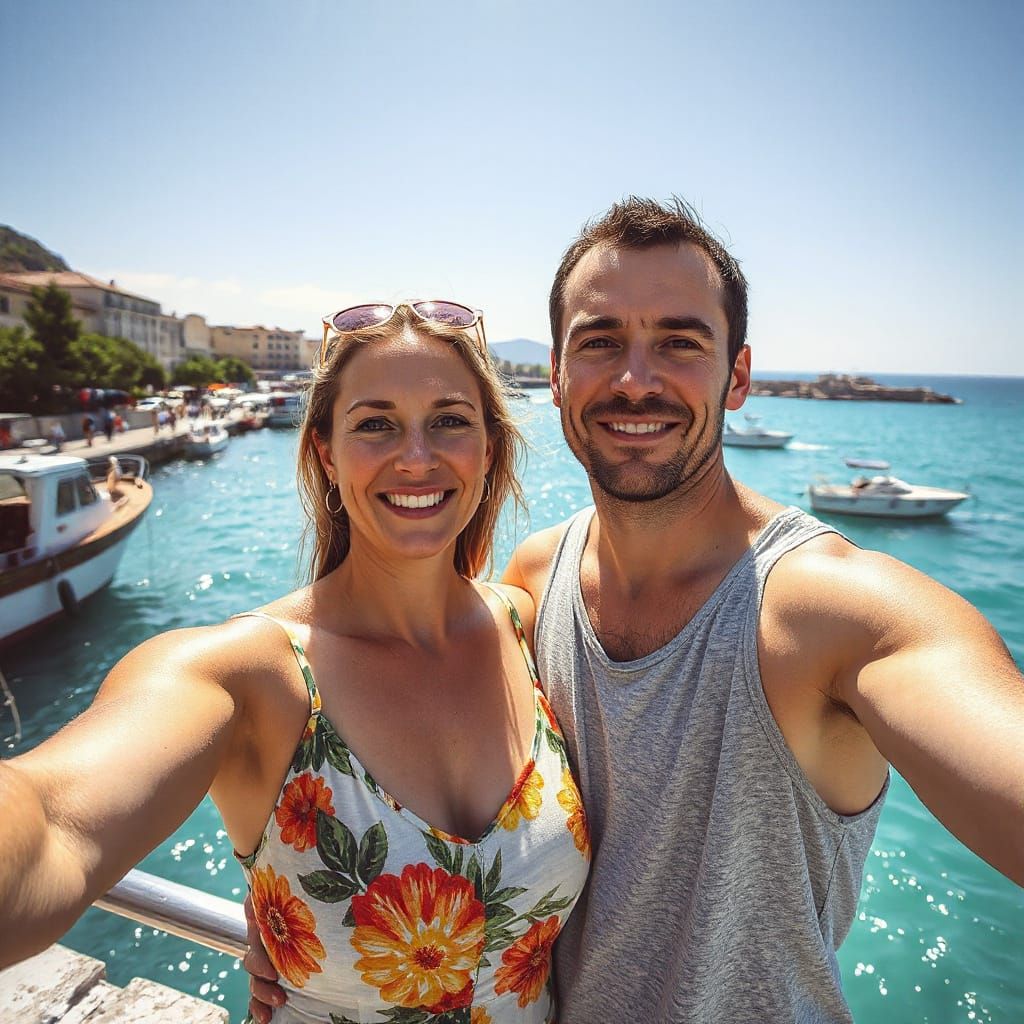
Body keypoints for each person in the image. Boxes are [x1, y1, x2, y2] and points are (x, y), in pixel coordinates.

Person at [240, 199, 1024, 1024]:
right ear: (555, 373)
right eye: (601, 342)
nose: (635, 379)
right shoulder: (534, 582)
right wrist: (300, 918)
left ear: (740, 375)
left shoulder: (833, 611)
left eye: (680, 342)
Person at [0, 303, 591, 1024]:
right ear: (324, 452)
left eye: (450, 420)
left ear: (489, 449)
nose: (416, 456)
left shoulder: (525, 621)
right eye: (375, 423)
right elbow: (53, 822)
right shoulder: (252, 678)